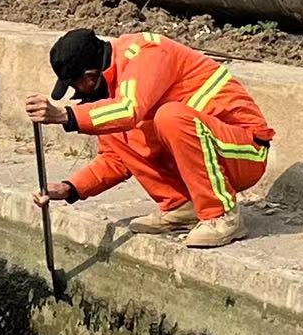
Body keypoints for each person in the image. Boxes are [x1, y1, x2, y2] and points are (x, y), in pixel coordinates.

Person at [25, 28, 273, 249]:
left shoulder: (145, 53)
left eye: (76, 86)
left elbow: (129, 112)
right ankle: (181, 206)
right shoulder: (115, 86)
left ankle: (221, 215)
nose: (77, 93)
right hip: (210, 150)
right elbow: (116, 157)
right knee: (122, 125)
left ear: (90, 76)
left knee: (170, 116)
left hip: (245, 149)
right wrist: (71, 188)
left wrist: (65, 116)